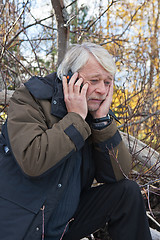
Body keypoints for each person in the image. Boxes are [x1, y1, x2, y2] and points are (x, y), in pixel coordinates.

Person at [0, 42, 152, 240]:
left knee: (127, 192)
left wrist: (102, 123)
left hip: (64, 225)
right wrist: (76, 119)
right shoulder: (30, 99)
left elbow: (117, 174)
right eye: (95, 80)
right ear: (69, 78)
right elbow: (33, 161)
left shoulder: (93, 114)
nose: (102, 90)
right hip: (22, 226)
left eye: (107, 82)